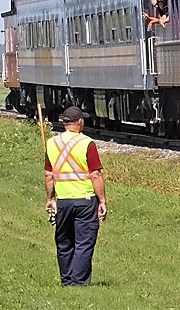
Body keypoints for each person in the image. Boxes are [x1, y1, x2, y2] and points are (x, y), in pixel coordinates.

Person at [45, 106, 107, 286]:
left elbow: (49, 175)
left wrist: (50, 199)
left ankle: (66, 280)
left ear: (64, 123)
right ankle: (78, 282)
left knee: (64, 242)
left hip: (63, 200)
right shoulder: (87, 143)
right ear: (80, 122)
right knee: (84, 242)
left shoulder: (52, 143)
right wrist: (102, 201)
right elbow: (95, 174)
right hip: (85, 199)